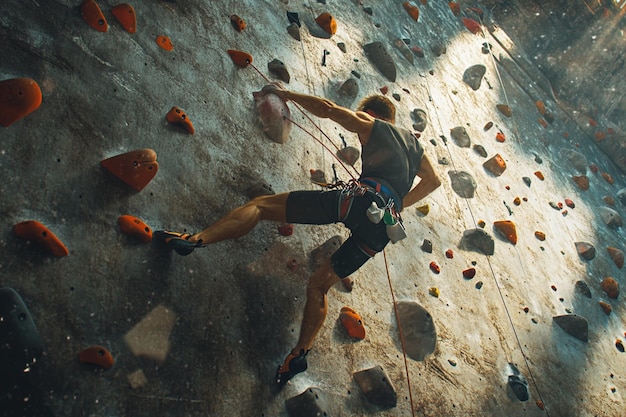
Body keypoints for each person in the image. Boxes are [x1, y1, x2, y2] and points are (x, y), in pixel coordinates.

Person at [154, 85, 441, 385]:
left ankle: (195, 240)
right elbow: (433, 181)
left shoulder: (373, 125)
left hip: (359, 201)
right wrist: (398, 206)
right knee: (319, 286)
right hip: (385, 227)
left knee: (261, 205)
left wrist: (286, 95)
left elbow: (329, 109)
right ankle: (299, 354)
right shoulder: (416, 150)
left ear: (371, 114)